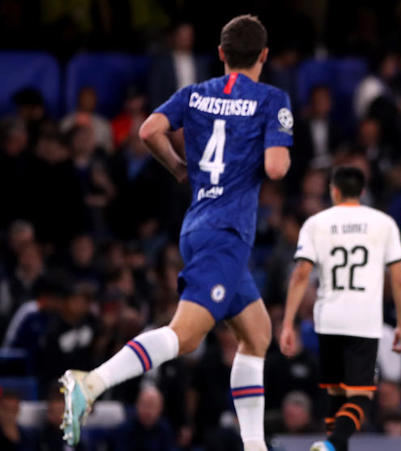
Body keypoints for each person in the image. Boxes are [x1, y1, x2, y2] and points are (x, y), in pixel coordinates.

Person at [58, 15, 293, 451]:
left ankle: (255, 446)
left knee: (257, 333)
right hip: (226, 233)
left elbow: (149, 131)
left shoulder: (195, 93)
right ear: (263, 55)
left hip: (200, 225)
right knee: (185, 336)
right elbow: (277, 167)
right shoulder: (271, 99)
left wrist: (179, 167)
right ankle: (90, 382)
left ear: (221, 54)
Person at [280, 166, 401, 451]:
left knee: (336, 393)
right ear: (362, 192)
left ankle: (333, 447)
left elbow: (301, 274)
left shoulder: (316, 223)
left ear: (334, 191)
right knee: (361, 395)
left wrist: (288, 323)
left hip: (328, 319)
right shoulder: (383, 223)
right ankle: (333, 444)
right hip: (364, 320)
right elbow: (399, 279)